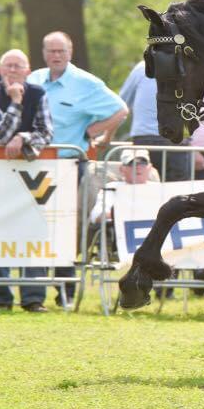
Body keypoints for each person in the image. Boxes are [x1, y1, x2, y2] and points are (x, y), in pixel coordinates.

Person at [28, 31, 128, 307]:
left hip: (69, 166)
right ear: (44, 53)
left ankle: (66, 291)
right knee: (34, 226)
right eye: (51, 51)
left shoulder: (86, 83)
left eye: (61, 51)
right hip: (34, 165)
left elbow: (120, 110)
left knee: (64, 227)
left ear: (70, 53)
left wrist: (95, 131)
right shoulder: (34, 79)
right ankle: (33, 293)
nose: (56, 56)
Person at [0, 49, 54, 312]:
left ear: (28, 71)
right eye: (8, 66)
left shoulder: (39, 93)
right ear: (1, 70)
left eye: (18, 66)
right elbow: (1, 135)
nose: (12, 70)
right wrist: (15, 101)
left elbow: (46, 131)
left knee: (33, 231)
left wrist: (23, 137)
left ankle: (33, 298)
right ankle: (1, 298)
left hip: (31, 172)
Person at [119, 60, 193, 181]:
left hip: (145, 138)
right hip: (176, 141)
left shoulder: (142, 68)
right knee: (178, 189)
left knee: (142, 189)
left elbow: (121, 104)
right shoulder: (188, 67)